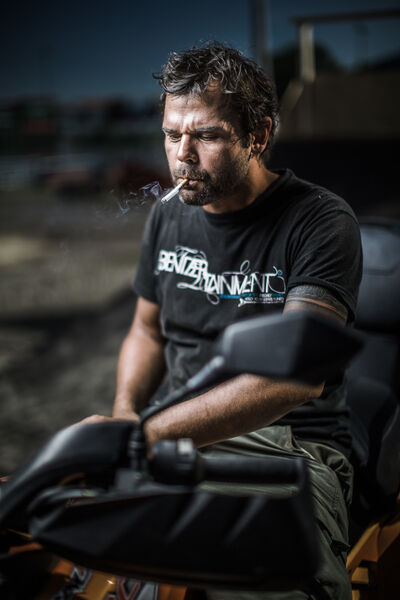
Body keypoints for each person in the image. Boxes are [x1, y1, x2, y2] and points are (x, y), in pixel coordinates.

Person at [86, 43, 362, 599]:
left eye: (206, 135)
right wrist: (125, 414)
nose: (182, 155)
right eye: (171, 134)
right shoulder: (168, 214)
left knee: (264, 576)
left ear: (257, 135)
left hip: (288, 446)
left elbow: (295, 378)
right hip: (175, 438)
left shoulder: (320, 220)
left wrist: (143, 436)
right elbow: (146, 331)